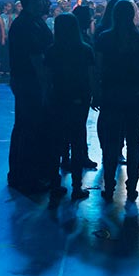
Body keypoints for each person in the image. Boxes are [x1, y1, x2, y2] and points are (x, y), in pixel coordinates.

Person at [94, 0, 139, 203]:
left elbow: (98, 69)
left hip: (111, 94)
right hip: (135, 95)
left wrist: (96, 92)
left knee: (111, 143)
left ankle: (109, 186)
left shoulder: (104, 38)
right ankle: (132, 187)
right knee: (133, 142)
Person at [7, 0, 54, 194]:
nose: (46, 3)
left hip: (28, 82)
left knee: (29, 128)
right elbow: (37, 59)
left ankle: (27, 174)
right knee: (29, 129)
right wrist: (46, 86)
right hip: (31, 83)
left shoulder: (34, 22)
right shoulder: (26, 25)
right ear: (33, 1)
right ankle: (25, 176)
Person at [45, 13, 94, 199]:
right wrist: (93, 95)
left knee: (56, 141)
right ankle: (76, 186)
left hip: (58, 97)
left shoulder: (52, 50)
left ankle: (54, 184)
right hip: (79, 98)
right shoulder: (85, 49)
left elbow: (47, 77)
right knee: (77, 139)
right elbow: (90, 76)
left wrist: (47, 96)